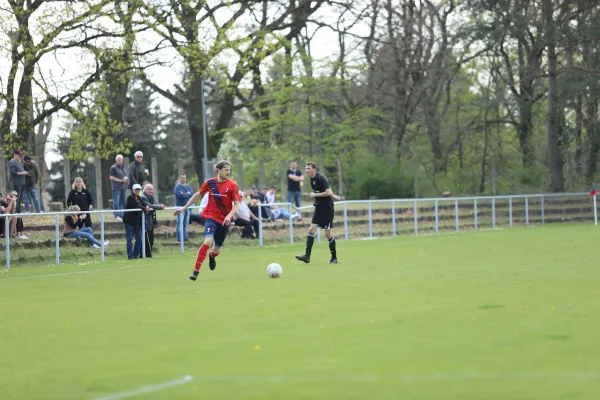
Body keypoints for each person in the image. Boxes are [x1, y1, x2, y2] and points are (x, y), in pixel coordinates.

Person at [174, 160, 240, 281]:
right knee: (207, 241)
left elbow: (236, 204)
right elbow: (197, 194)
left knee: (216, 249)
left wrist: (229, 216)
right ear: (218, 171)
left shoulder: (232, 185)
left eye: (229, 170)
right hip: (211, 217)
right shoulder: (209, 183)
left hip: (224, 221)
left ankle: (212, 255)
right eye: (226, 170)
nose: (228, 172)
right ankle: (195, 271)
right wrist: (184, 208)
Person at [295, 162, 341, 264]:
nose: (306, 170)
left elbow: (327, 191)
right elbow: (328, 190)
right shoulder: (312, 179)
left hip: (327, 208)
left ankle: (334, 258)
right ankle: (307, 256)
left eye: (308, 168)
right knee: (311, 229)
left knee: (327, 233)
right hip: (319, 207)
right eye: (306, 168)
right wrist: (334, 195)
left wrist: (315, 195)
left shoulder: (321, 178)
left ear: (314, 170)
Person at [123, 184, 150, 260]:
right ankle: (130, 256)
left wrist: (147, 206)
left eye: (138, 189)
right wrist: (145, 208)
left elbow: (144, 204)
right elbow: (137, 206)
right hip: (129, 222)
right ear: (132, 190)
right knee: (129, 239)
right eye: (136, 189)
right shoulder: (130, 198)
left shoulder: (140, 198)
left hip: (136, 222)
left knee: (139, 238)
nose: (137, 191)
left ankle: (136, 255)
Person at [140, 183, 165, 258]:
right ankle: (144, 254)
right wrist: (160, 207)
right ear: (145, 190)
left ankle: (148, 254)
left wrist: (159, 206)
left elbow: (156, 204)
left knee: (151, 238)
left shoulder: (151, 197)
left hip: (151, 220)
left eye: (152, 189)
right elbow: (150, 205)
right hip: (146, 220)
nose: (151, 191)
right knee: (146, 238)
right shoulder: (143, 197)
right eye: (149, 189)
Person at [174, 174, 194, 241]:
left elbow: (191, 194)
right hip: (179, 207)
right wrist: (187, 194)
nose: (184, 179)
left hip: (186, 207)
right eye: (182, 178)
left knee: (186, 223)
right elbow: (180, 196)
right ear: (179, 179)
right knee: (180, 223)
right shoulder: (177, 187)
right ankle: (179, 238)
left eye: (184, 178)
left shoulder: (188, 186)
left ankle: (185, 238)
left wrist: (185, 194)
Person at [8, 149, 29, 214]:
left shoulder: (19, 162)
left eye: (21, 155)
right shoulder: (12, 162)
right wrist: (23, 173)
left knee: (20, 198)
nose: (20, 157)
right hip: (17, 183)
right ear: (15, 155)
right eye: (19, 155)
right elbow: (12, 172)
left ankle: (18, 211)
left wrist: (25, 172)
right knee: (16, 198)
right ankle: (14, 211)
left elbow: (22, 169)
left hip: (22, 182)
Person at [109, 154, 128, 221]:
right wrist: (120, 180)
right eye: (119, 160)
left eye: (121, 160)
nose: (120, 161)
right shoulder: (113, 168)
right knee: (116, 202)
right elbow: (111, 177)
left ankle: (122, 215)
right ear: (116, 160)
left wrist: (125, 180)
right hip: (116, 188)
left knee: (123, 202)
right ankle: (116, 215)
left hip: (123, 187)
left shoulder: (122, 167)